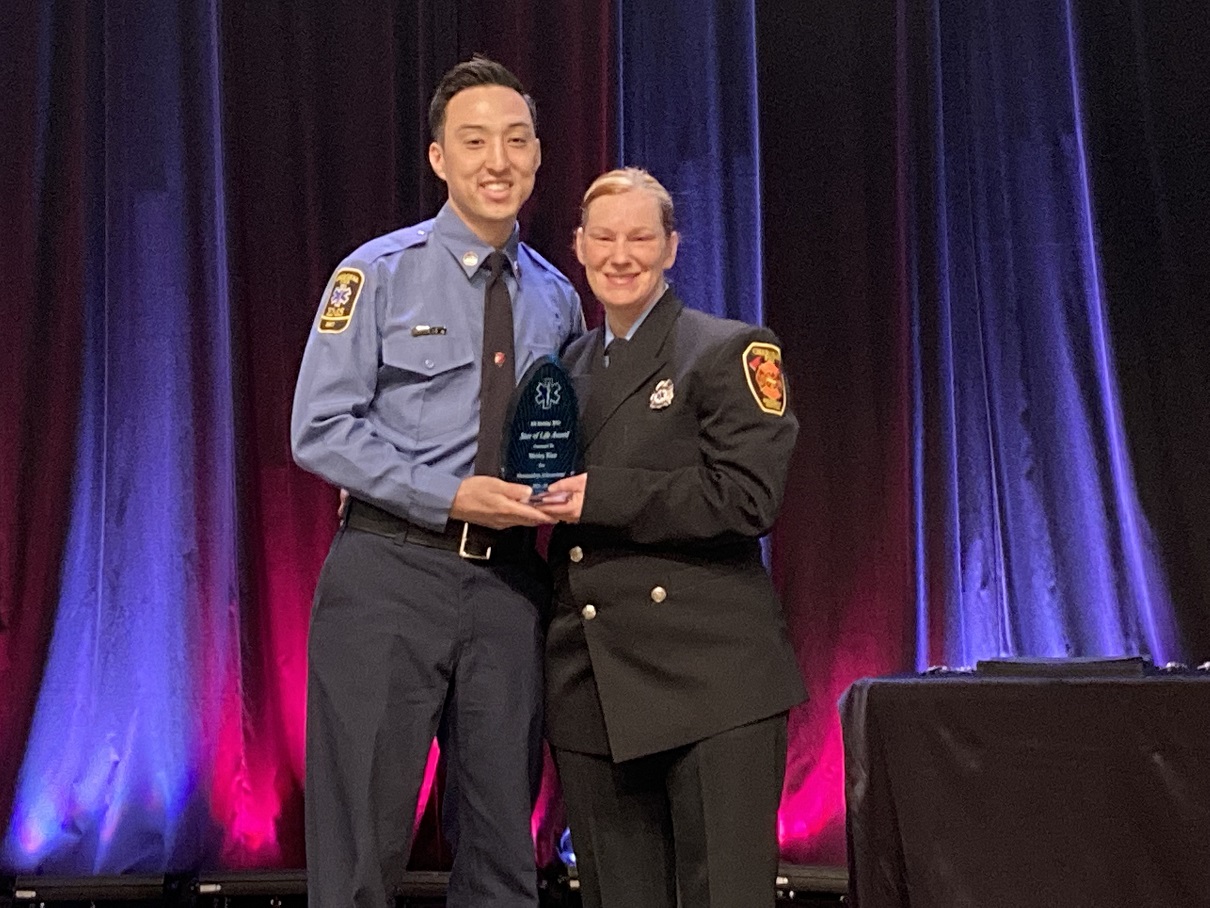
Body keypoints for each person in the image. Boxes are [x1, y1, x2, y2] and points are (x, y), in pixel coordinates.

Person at [291, 57, 583, 908]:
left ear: (537, 156)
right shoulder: (375, 275)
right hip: (388, 574)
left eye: (516, 140)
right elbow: (319, 429)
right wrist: (448, 493)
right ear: (438, 159)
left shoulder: (559, 300)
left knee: (502, 850)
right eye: (474, 141)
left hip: (510, 586)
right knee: (358, 853)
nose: (498, 159)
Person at [536, 168, 806, 908]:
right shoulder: (563, 369)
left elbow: (748, 496)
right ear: (579, 247)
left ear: (671, 248)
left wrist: (602, 496)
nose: (621, 255)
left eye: (641, 237)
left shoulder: (729, 350)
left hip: (712, 680)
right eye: (605, 237)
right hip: (591, 684)